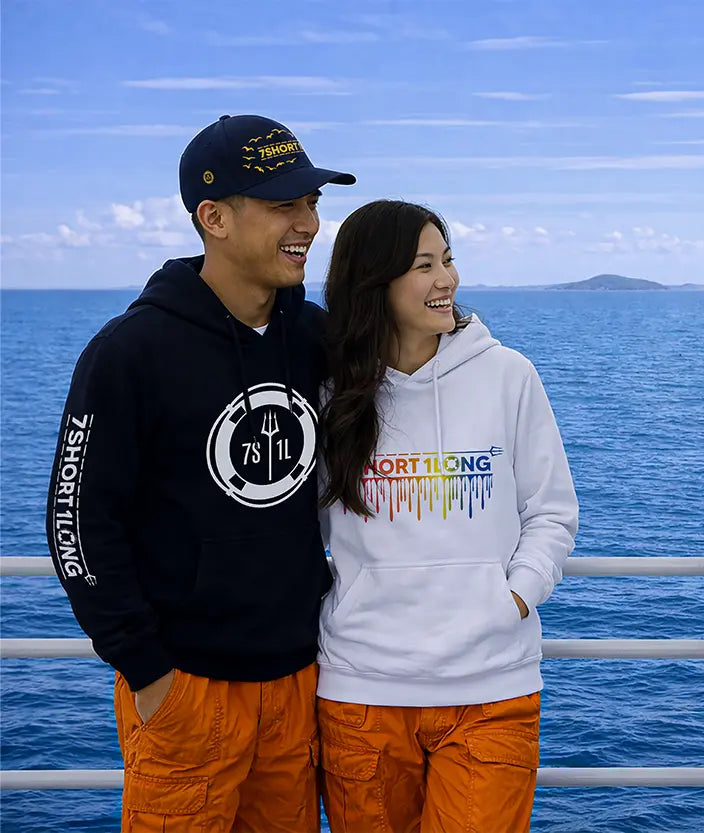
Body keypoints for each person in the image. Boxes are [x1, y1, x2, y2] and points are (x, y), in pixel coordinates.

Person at [44, 114, 355, 831]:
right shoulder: (132, 351)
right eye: (284, 204)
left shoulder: (312, 338)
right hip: (186, 686)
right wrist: (147, 671)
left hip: (296, 681)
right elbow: (75, 520)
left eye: (312, 202)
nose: (308, 222)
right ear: (213, 217)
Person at [315, 199, 578, 832]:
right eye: (423, 265)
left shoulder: (508, 375)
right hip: (361, 690)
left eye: (449, 259)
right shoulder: (332, 395)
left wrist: (512, 597)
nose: (447, 280)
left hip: (492, 687)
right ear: (373, 284)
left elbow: (552, 510)